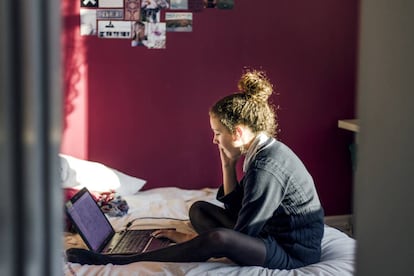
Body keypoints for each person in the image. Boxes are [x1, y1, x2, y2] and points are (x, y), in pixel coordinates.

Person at [66, 69, 325, 269]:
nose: (214, 139)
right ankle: (183, 240)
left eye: (217, 133)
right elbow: (237, 211)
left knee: (219, 240)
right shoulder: (261, 152)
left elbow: (241, 235)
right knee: (199, 209)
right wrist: (228, 164)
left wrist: (190, 239)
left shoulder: (267, 166)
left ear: (237, 132)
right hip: (268, 234)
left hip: (291, 252)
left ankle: (124, 259)